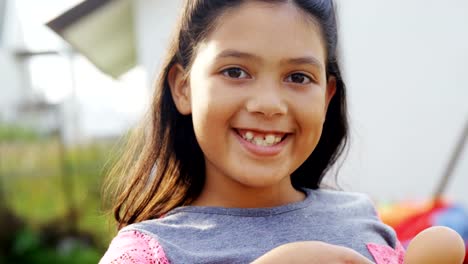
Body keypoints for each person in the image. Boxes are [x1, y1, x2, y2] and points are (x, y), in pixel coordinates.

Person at [100, 0, 405, 263]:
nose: (269, 105)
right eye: (235, 72)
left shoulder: (361, 219)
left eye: (298, 77)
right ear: (183, 88)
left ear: (327, 96)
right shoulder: (147, 252)